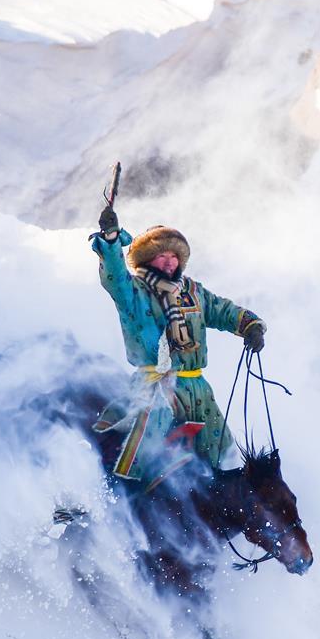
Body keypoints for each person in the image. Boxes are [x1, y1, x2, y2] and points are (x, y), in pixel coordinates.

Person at [91, 205, 266, 483]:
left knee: (224, 451)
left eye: (174, 256)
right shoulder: (134, 291)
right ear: (148, 260)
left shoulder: (193, 292)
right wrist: (111, 239)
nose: (170, 262)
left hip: (197, 387)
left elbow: (222, 311)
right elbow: (114, 276)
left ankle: (225, 508)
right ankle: (115, 494)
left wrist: (250, 326)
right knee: (141, 449)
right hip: (155, 386)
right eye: (162, 256)